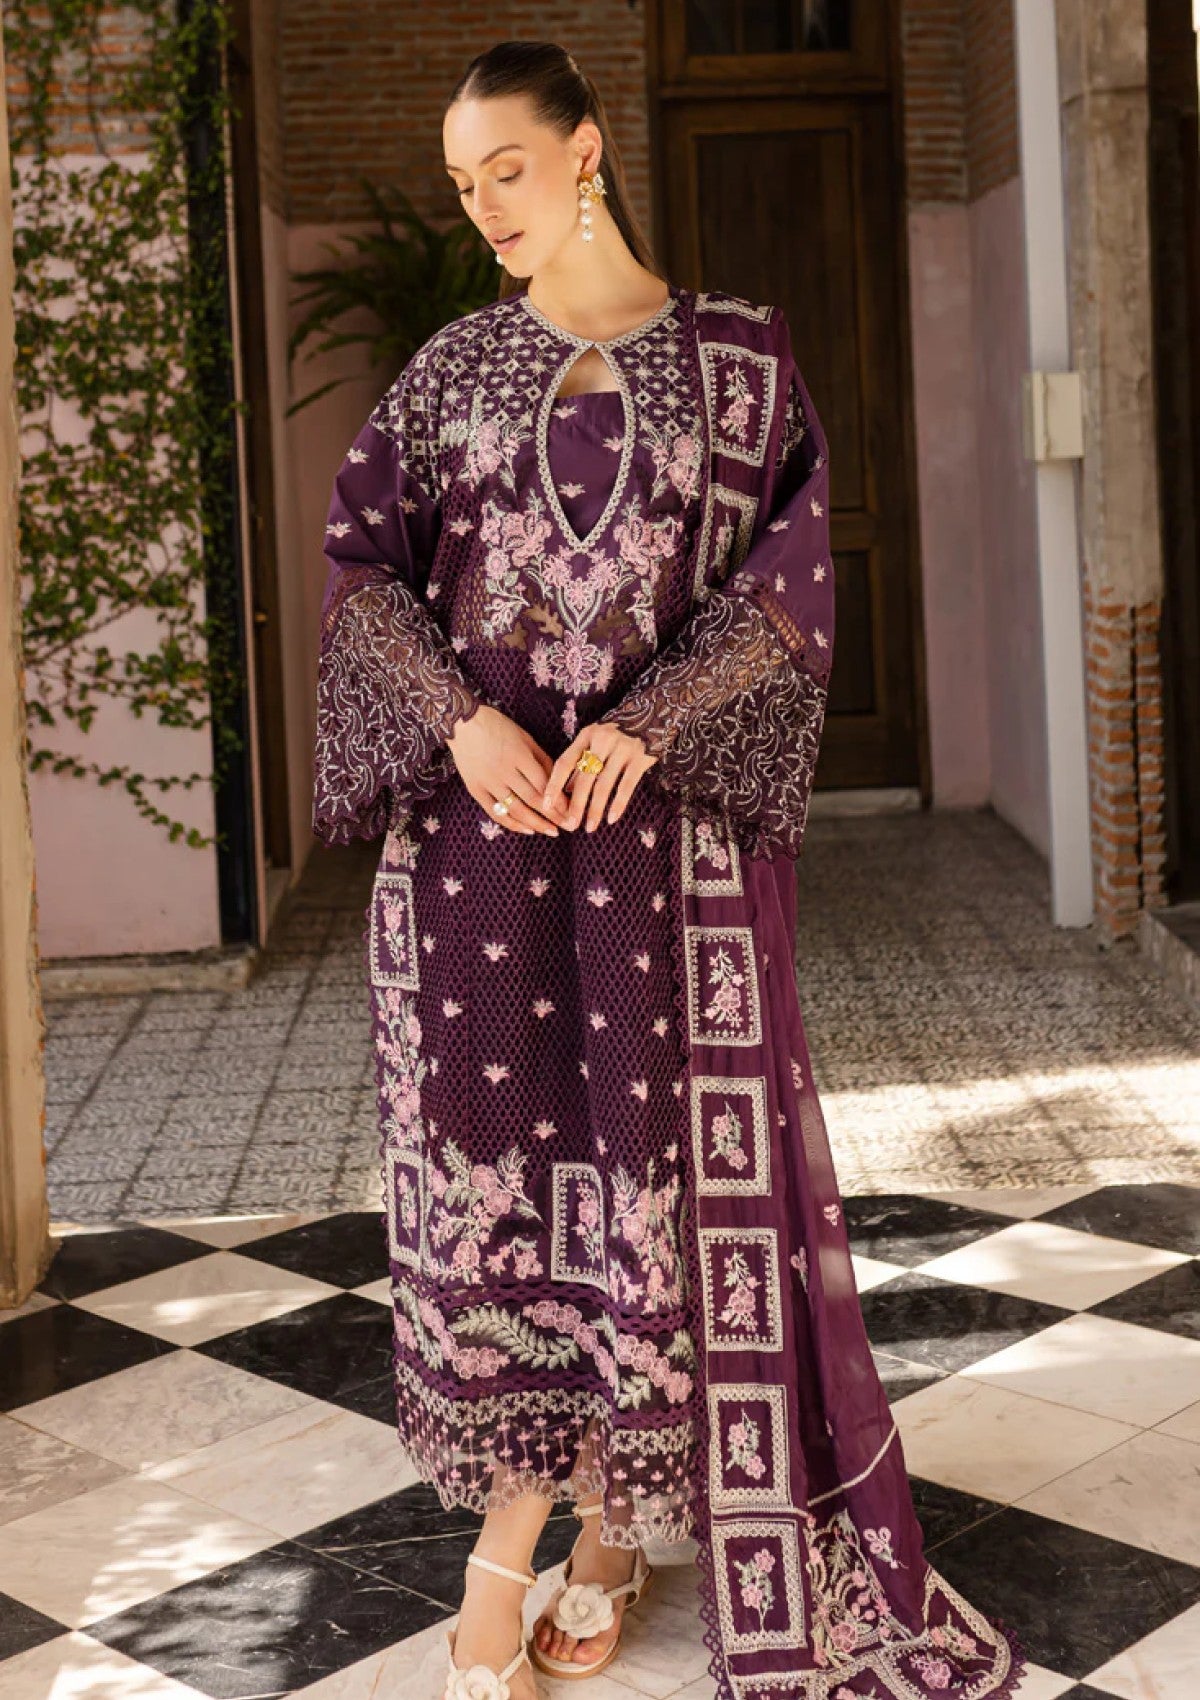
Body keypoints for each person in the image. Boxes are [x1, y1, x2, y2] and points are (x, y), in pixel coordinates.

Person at [312, 38, 1027, 1700]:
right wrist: (458, 726)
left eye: (505, 167)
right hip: (478, 866)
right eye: (461, 183)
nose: (483, 206)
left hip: (660, 868)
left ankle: (584, 1544)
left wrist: (654, 718)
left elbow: (790, 588)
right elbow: (360, 576)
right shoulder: (449, 372)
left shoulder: (742, 364)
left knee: (642, 1205)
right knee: (500, 1200)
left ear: (585, 150)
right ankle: (536, 1541)